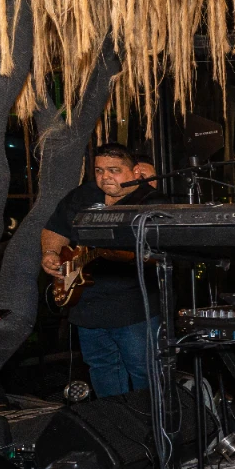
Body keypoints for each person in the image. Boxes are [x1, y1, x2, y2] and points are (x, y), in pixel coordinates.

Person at [41, 143, 164, 397]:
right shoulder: (84, 195)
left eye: (114, 170)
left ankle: (148, 422)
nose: (105, 176)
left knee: (144, 371)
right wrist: (51, 253)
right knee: (102, 369)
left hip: (133, 308)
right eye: (99, 170)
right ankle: (114, 420)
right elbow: (55, 229)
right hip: (86, 304)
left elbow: (160, 254)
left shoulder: (151, 202)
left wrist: (121, 254)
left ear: (135, 171)